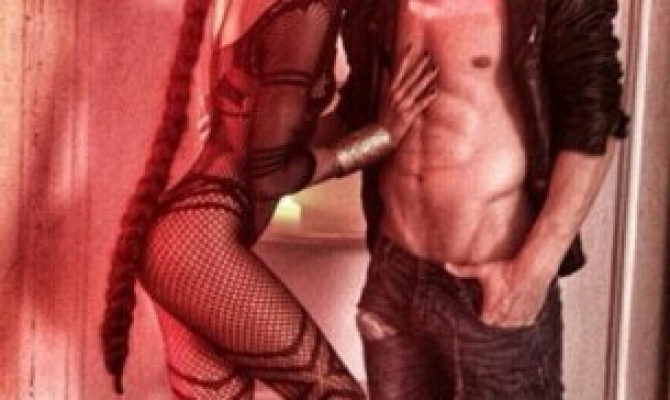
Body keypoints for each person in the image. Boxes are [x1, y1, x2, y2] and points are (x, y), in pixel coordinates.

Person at [100, 0, 438, 398]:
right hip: (197, 244)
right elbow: (270, 176)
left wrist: (371, 124)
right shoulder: (307, 11)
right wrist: (381, 136)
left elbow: (266, 141)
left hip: (180, 240)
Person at [335, 0, 629, 398]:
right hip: (394, 277)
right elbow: (358, 110)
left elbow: (598, 116)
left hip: (489, 285)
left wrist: (533, 271)